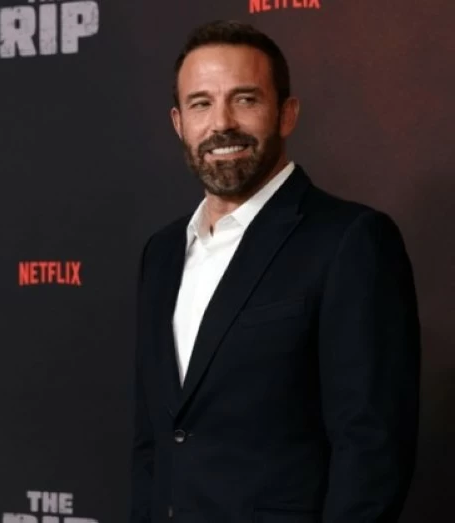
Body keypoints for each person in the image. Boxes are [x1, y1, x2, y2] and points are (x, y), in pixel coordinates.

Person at [130, 20, 420, 522]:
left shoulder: (351, 240)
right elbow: (153, 439)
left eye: (245, 99)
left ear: (287, 114)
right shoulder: (161, 253)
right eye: (201, 104)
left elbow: (371, 447)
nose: (221, 123)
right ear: (179, 122)